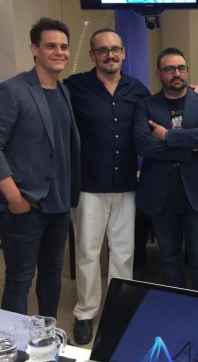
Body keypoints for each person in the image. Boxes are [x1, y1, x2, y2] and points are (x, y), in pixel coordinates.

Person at [0, 17, 80, 318]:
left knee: (51, 274)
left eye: (64, 47)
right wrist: (14, 197)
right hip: (25, 206)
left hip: (59, 205)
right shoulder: (11, 91)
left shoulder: (63, 91)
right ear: (35, 49)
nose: (59, 52)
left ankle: (47, 333)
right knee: (19, 281)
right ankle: (16, 342)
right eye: (51, 46)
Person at [64, 28, 150, 345]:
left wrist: (193, 93)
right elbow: (48, 102)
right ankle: (85, 312)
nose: (110, 55)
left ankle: (120, 308)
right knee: (88, 253)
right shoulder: (74, 87)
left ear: (123, 53)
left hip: (126, 184)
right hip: (89, 185)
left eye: (115, 49)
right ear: (93, 55)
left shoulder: (137, 89)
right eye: (103, 50)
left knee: (123, 252)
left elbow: (160, 111)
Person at [133, 47, 198, 347]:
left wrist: (169, 136)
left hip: (197, 193)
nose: (176, 73)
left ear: (187, 71)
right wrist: (190, 145)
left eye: (181, 68)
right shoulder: (146, 106)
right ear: (159, 74)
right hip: (161, 194)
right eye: (169, 69)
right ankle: (177, 311)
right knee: (170, 259)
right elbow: (143, 145)